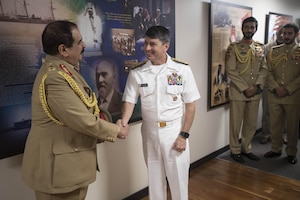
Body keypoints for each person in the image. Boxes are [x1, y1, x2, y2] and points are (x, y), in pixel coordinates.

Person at [22, 20, 129, 200]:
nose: (84, 45)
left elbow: (86, 106)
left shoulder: (64, 70)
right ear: (63, 50)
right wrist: (116, 130)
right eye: (79, 42)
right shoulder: (55, 78)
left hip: (68, 167)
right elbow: (82, 120)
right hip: (59, 173)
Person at [121, 26, 200, 200]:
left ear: (166, 46)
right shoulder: (138, 72)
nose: (147, 48)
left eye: (152, 44)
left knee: (178, 179)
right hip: (149, 132)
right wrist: (124, 122)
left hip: (174, 131)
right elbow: (129, 100)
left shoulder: (180, 70)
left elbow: (191, 105)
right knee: (154, 179)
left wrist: (184, 135)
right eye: (146, 43)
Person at [225, 16, 267, 163]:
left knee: (251, 123)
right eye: (247, 27)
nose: (249, 30)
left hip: (255, 93)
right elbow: (231, 70)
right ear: (242, 28)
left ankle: (246, 148)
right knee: (235, 124)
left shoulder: (260, 47)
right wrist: (244, 88)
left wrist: (256, 86)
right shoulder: (234, 48)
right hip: (238, 92)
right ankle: (235, 150)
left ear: (256, 29)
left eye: (252, 27)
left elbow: (264, 69)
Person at [264, 23, 300, 165]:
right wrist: (275, 87)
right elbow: (267, 71)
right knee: (275, 125)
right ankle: (276, 148)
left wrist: (288, 88)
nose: (286, 36)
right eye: (284, 33)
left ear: (296, 34)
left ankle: (291, 152)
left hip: (292, 96)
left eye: (289, 33)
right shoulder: (274, 51)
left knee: (291, 127)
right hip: (275, 95)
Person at [260, 25, 286, 144]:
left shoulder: (292, 49)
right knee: (267, 111)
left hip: (285, 86)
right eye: (280, 32)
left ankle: (284, 134)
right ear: (277, 33)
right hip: (269, 84)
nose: (282, 35)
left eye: (285, 33)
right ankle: (266, 134)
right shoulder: (267, 48)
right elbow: (263, 67)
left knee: (285, 112)